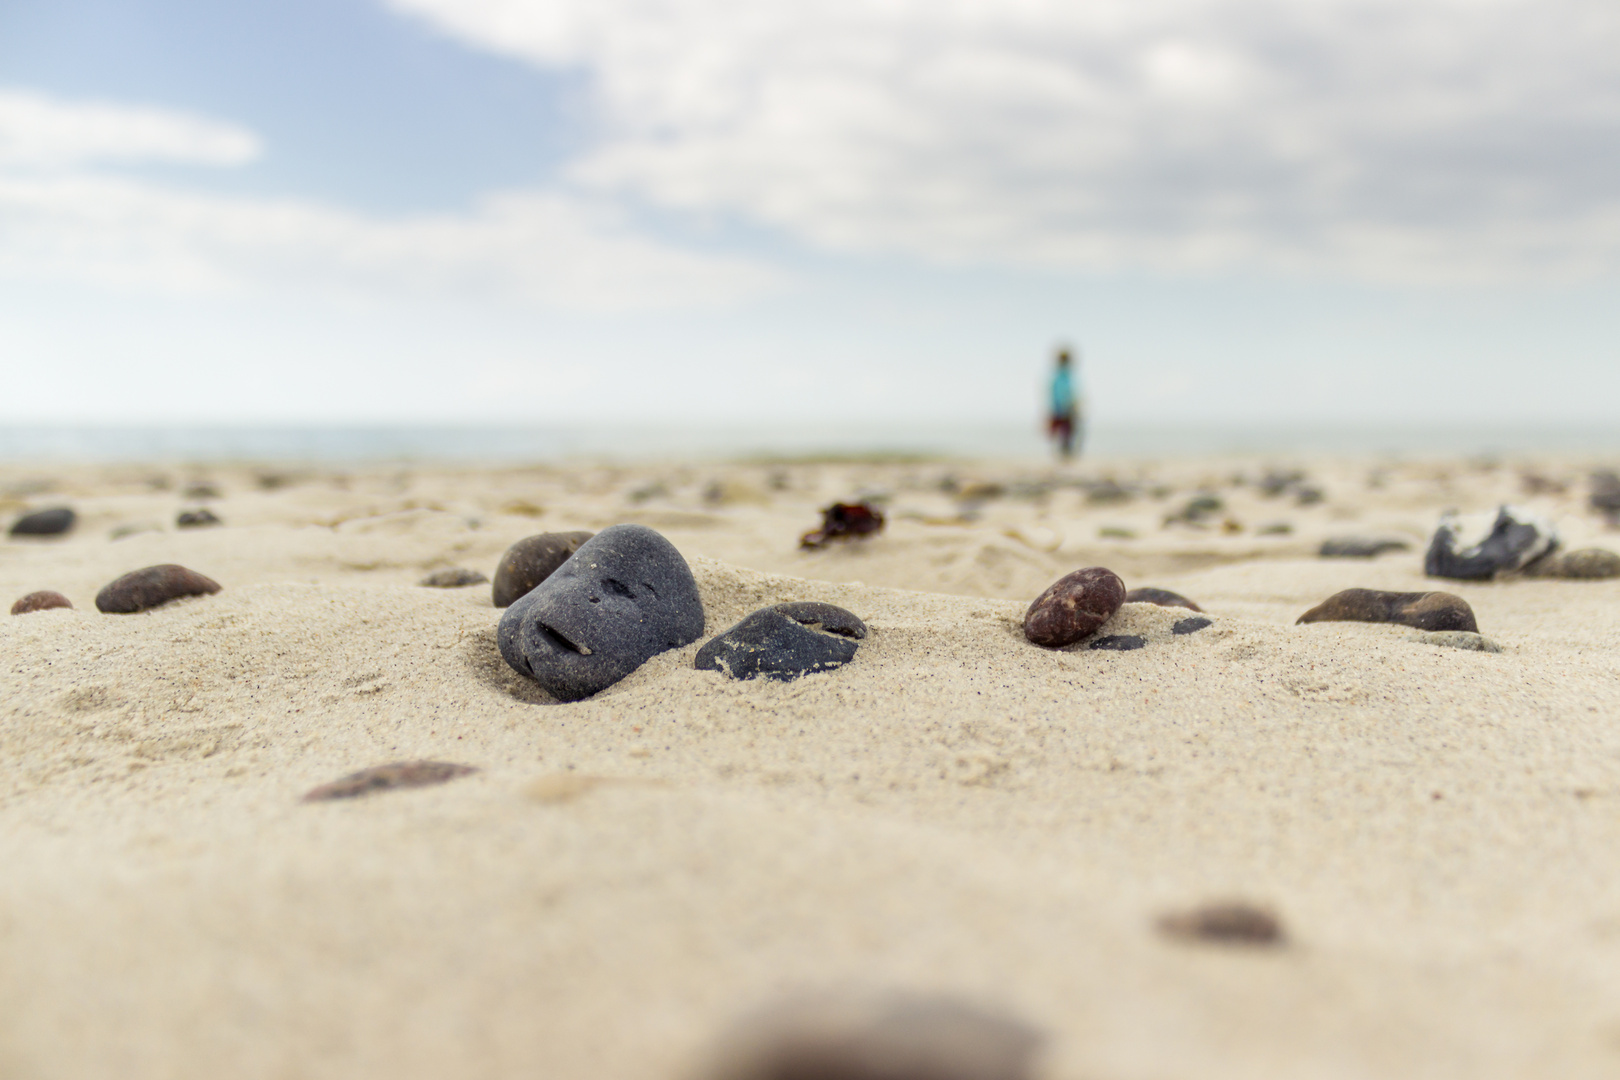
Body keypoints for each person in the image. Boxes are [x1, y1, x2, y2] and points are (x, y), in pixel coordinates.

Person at [1047, 347, 1083, 459]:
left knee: (1067, 433)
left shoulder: (1065, 376)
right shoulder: (1061, 376)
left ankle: (1066, 453)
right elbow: (1060, 393)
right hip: (1063, 409)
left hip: (1063, 409)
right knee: (1066, 433)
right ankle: (1065, 454)